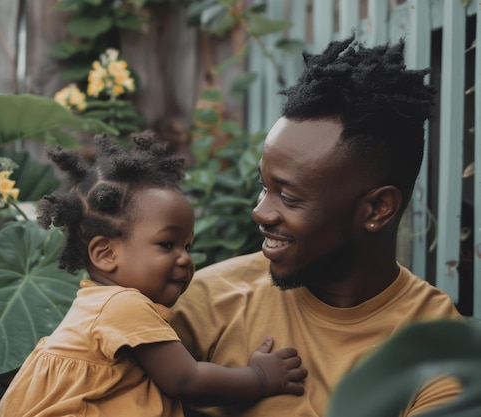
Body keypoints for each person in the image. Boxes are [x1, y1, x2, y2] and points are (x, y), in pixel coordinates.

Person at [171, 36, 463, 417]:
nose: (261, 213)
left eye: (289, 197)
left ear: (377, 208)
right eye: (265, 187)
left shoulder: (434, 350)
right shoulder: (207, 302)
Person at [0, 131, 307, 417]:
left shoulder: (97, 306)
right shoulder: (124, 306)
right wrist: (260, 377)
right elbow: (188, 381)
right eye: (167, 244)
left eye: (187, 246)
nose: (185, 259)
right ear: (106, 254)